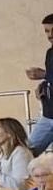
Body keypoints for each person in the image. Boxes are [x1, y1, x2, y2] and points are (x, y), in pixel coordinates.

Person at [27, 12, 53, 153]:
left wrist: (44, 75)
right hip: (48, 114)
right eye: (47, 31)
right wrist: (44, 87)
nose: (50, 35)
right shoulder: (50, 53)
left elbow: (49, 75)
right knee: (27, 153)